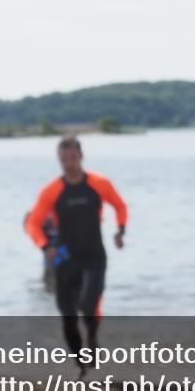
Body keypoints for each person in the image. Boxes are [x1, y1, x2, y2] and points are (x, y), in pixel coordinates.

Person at [26, 136, 128, 365]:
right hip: (65, 258)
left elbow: (120, 206)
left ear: (81, 157)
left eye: (73, 158)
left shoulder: (99, 183)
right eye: (64, 159)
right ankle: (81, 364)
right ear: (59, 160)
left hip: (94, 255)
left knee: (88, 303)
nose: (69, 163)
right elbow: (33, 223)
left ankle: (91, 336)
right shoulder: (52, 190)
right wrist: (45, 246)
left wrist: (120, 230)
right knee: (68, 314)